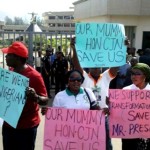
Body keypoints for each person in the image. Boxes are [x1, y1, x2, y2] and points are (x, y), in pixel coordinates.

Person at [70, 37, 119, 150]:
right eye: (94, 66)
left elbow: (116, 65)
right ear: (89, 67)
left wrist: (122, 48)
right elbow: (76, 64)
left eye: (99, 66)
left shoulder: (106, 76)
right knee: (87, 143)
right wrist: (74, 48)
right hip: (86, 116)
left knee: (106, 143)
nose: (97, 69)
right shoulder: (84, 77)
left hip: (103, 115)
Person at [1, 41, 49, 150]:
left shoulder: (35, 76)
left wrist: (35, 97)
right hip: (9, 125)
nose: (6, 57)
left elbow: (45, 100)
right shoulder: (10, 73)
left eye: (8, 55)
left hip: (26, 127)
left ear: (17, 58)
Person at [122, 63, 150, 150]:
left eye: (137, 74)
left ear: (145, 75)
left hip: (147, 132)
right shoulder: (125, 90)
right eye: (132, 73)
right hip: (129, 133)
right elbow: (120, 111)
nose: (134, 76)